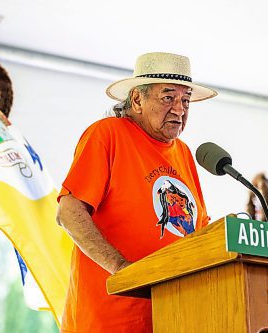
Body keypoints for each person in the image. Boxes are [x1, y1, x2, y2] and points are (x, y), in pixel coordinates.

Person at [56, 52, 217, 333]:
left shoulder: (185, 154)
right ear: (137, 100)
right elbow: (68, 212)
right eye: (168, 97)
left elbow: (196, 233)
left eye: (186, 100)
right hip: (108, 321)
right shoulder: (107, 134)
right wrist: (123, 269)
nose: (179, 109)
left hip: (174, 319)